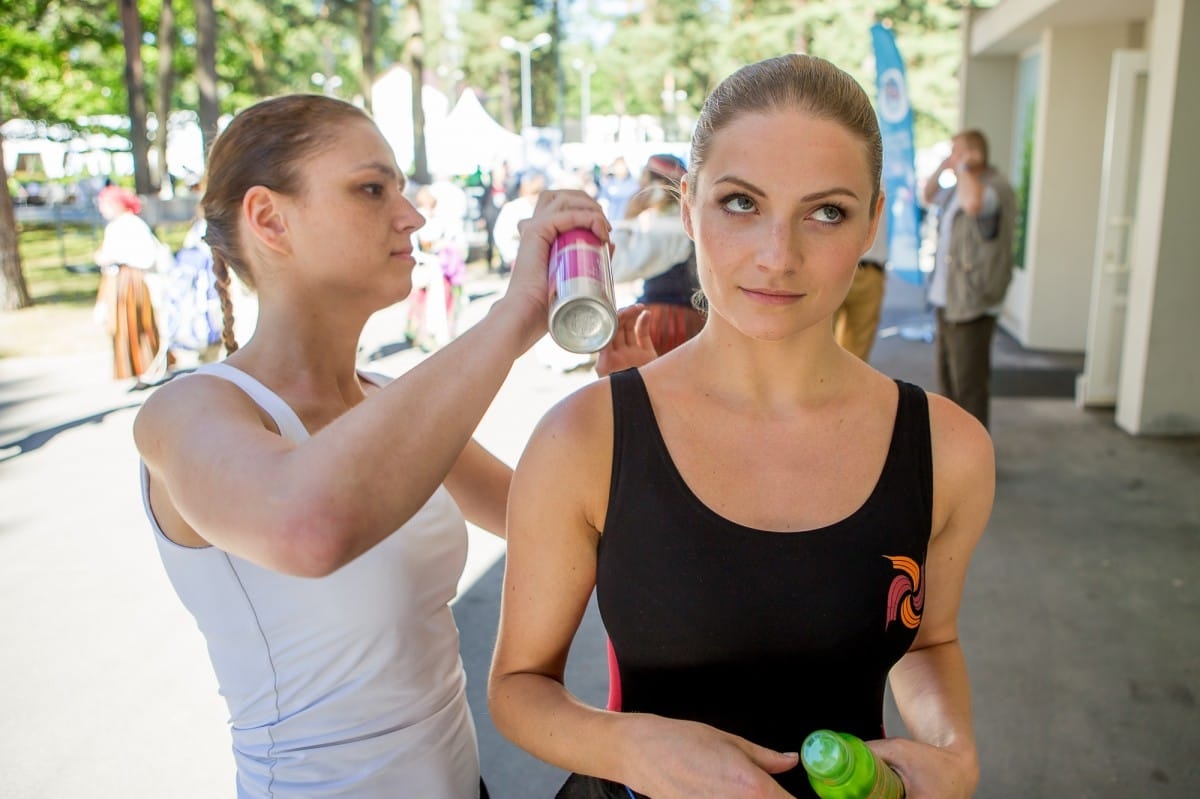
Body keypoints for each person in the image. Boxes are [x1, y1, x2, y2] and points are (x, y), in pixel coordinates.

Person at [488, 54, 992, 799]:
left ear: (873, 223)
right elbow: (518, 685)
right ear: (688, 206)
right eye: (740, 203)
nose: (777, 256)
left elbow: (931, 639)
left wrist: (953, 749)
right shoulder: (587, 438)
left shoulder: (946, 449)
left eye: (826, 212)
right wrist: (627, 746)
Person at [131, 93, 609, 799]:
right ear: (269, 218)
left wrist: (625, 399)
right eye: (371, 188)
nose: (411, 214)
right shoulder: (187, 411)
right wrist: (513, 317)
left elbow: (557, 521)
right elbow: (309, 528)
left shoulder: (387, 398)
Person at [921, 128, 1017, 429]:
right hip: (947, 299)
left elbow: (975, 205)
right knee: (948, 385)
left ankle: (975, 461)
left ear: (975, 154)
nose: (952, 158)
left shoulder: (993, 188)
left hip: (973, 302)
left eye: (957, 151)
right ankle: (953, 452)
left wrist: (963, 167)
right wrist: (945, 166)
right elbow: (927, 195)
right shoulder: (957, 189)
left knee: (969, 387)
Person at [608, 153, 704, 357]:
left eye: (644, 179)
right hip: (691, 320)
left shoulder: (666, 229)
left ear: (657, 187)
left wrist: (627, 219)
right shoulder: (681, 221)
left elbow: (616, 268)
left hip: (666, 323)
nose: (639, 185)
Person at [92, 184, 173, 387]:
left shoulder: (132, 225)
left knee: (138, 324)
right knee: (124, 327)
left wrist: (112, 257)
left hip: (133, 282)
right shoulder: (116, 226)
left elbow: (145, 256)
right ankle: (138, 370)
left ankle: (149, 368)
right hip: (119, 281)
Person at [833, 191, 888, 361]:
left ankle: (843, 388)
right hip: (834, 266)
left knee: (858, 352)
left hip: (870, 267)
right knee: (814, 345)